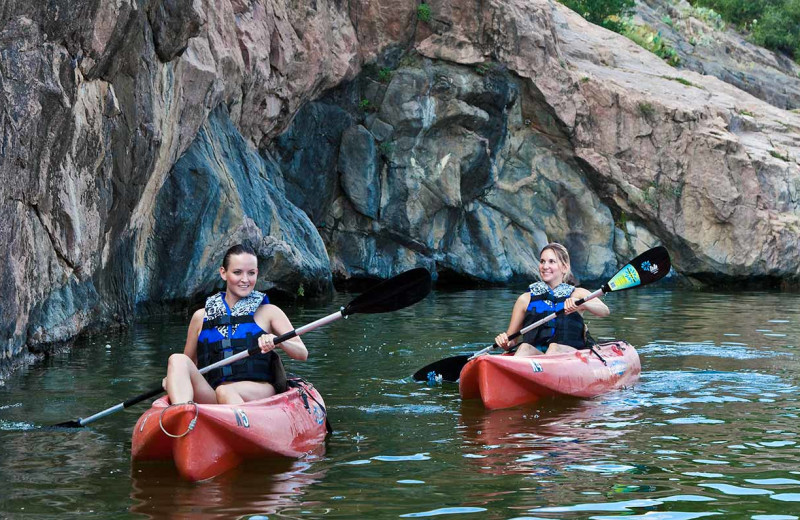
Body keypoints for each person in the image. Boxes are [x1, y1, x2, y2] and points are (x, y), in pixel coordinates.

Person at [162, 244, 308, 405]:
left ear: (257, 273)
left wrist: (278, 341)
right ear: (223, 273)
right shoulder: (200, 317)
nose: (245, 279)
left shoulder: (269, 312)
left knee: (226, 390)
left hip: (257, 393)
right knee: (177, 360)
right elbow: (189, 363)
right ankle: (182, 415)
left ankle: (242, 425)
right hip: (214, 394)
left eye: (251, 273)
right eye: (237, 272)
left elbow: (302, 353)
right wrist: (173, 378)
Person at [494, 243, 609, 356]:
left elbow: (604, 311)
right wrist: (505, 342)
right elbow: (511, 341)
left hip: (569, 355)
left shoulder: (578, 294)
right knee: (524, 348)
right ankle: (520, 371)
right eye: (542, 261)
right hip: (537, 357)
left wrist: (584, 304)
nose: (545, 266)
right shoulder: (525, 299)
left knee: (554, 348)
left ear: (564, 267)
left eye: (551, 261)